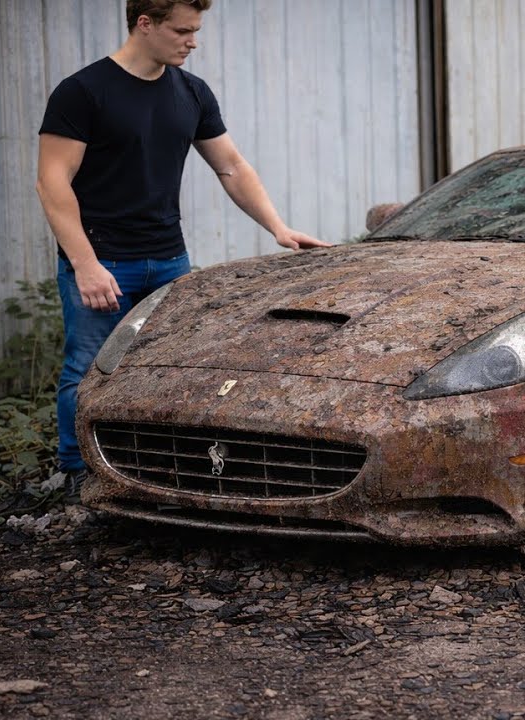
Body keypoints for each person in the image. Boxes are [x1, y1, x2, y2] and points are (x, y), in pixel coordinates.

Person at [35, 0, 328, 493]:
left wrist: (278, 227)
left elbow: (231, 166)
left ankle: (149, 468)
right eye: (182, 30)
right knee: (88, 370)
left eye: (196, 30)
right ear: (144, 24)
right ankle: (75, 472)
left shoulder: (191, 92)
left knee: (172, 370)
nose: (193, 41)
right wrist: (85, 264)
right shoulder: (83, 92)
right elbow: (51, 182)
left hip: (170, 260)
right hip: (102, 261)